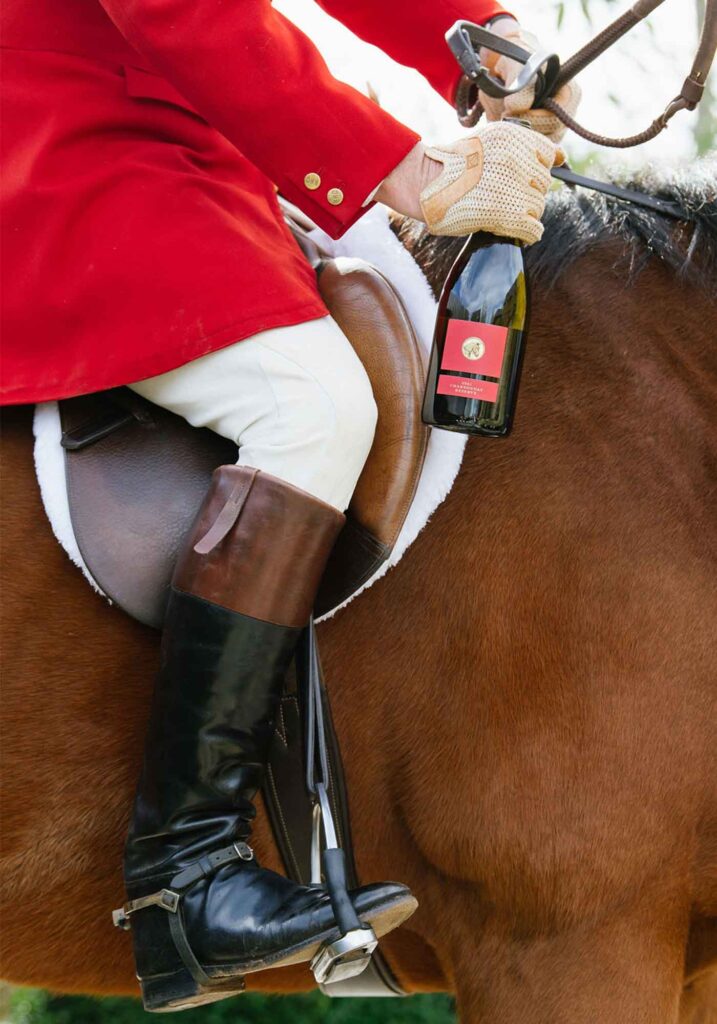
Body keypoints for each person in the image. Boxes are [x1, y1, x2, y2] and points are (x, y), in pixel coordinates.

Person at [1, 0, 580, 1011]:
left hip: (194, 141)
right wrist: (404, 167)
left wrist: (481, 31)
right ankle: (186, 872)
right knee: (310, 403)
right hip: (64, 134)